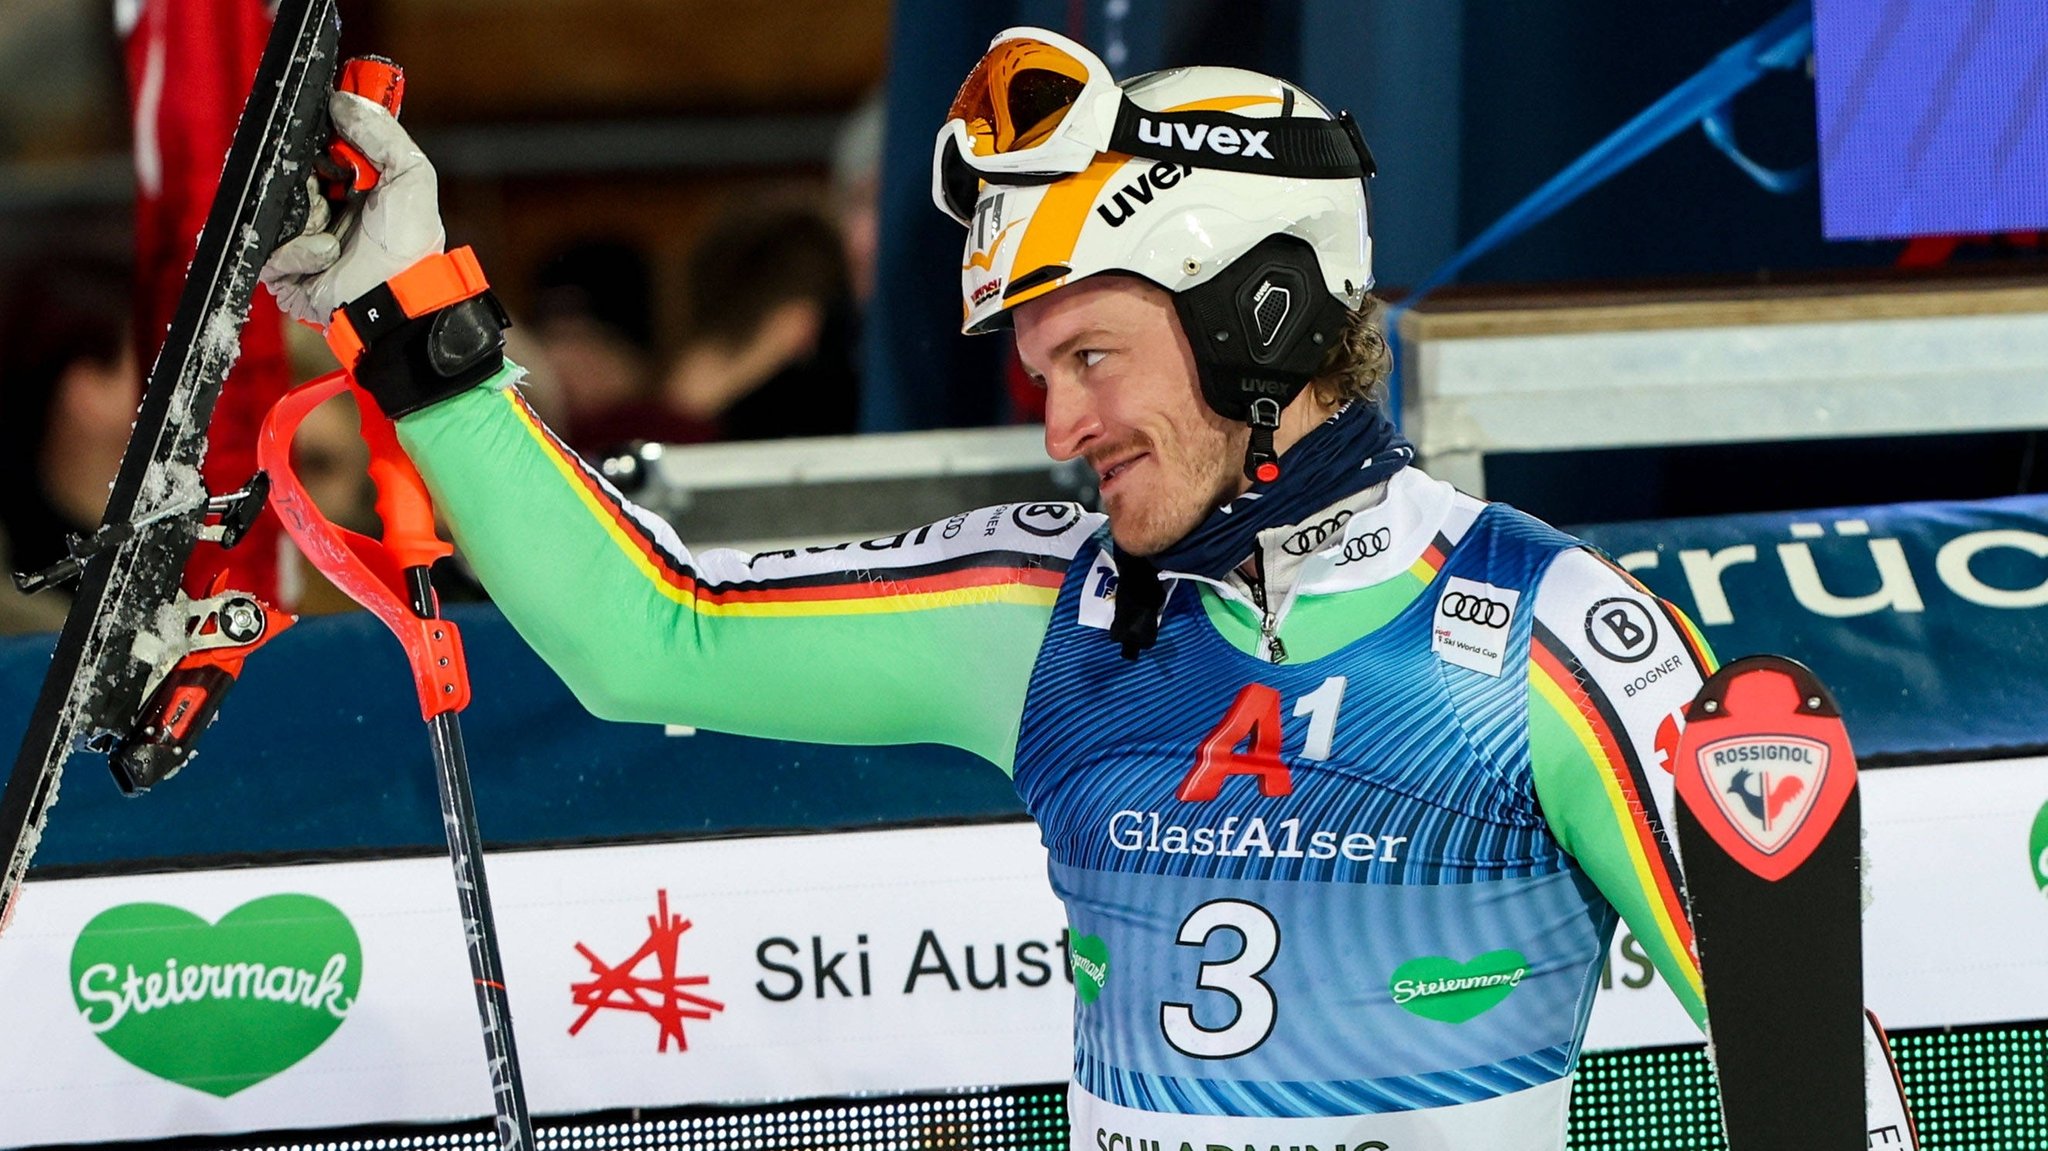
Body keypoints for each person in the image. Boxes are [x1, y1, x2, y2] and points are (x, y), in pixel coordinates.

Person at [260, 29, 1913, 1150]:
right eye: (1042, 373)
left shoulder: (1553, 642)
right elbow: (653, 635)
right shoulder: (1039, 605)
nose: (1061, 425)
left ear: (1264, 319)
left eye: (1094, 357)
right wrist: (421, 329)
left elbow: (1821, 1098)